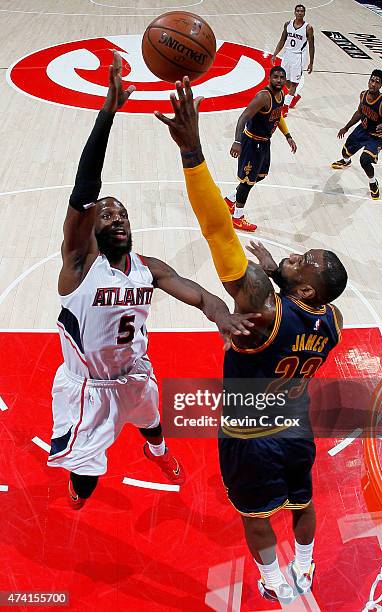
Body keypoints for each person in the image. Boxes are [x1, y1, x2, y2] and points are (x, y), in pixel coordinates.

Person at [155, 78, 347, 604]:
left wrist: (192, 151)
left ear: (303, 286)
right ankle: (304, 568)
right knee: (302, 503)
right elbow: (309, 302)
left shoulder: (261, 305)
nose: (296, 253)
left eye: (303, 260)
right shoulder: (333, 321)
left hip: (248, 434)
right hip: (296, 425)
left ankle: (272, 581)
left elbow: (218, 230)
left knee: (257, 517)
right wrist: (287, 278)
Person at [47, 51, 259, 510]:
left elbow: (200, 294)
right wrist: (107, 113)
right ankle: (80, 490)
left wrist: (221, 316)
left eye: (121, 211)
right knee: (85, 481)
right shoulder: (80, 266)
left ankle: (157, 451)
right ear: (92, 228)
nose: (116, 215)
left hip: (135, 373)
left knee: (153, 422)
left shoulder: (150, 267)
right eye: (106, 213)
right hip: (90, 389)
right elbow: (85, 189)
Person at [224, 66, 297, 232]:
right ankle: (237, 217)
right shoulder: (263, 97)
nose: (279, 80)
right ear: (269, 78)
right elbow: (243, 117)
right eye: (275, 77)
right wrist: (237, 141)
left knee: (260, 176)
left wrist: (288, 136)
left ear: (285, 80)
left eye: (281, 77)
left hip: (264, 142)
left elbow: (278, 117)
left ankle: (230, 200)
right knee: (247, 181)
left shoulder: (281, 94)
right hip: (251, 143)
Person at [331, 69, 382, 200]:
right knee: (345, 152)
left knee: (364, 161)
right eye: (372, 80)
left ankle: (373, 183)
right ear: (368, 81)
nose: (373, 84)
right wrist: (346, 127)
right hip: (363, 130)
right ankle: (346, 161)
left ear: (381, 85)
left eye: (377, 82)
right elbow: (359, 112)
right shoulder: (363, 95)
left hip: (377, 137)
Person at [271, 4, 315, 116]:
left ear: (304, 13)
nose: (300, 13)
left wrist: (311, 62)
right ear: (294, 12)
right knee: (284, 80)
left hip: (299, 56)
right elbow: (282, 40)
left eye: (302, 11)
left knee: (294, 83)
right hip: (287, 55)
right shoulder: (288, 24)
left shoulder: (308, 28)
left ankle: (285, 108)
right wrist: (275, 54)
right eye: (298, 11)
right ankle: (294, 96)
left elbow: (311, 46)